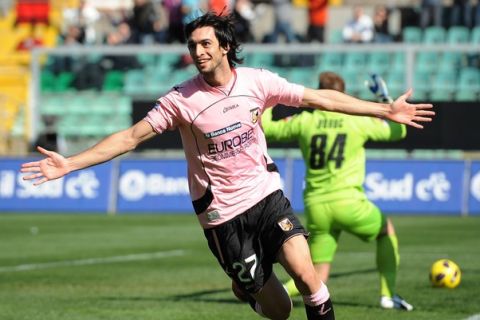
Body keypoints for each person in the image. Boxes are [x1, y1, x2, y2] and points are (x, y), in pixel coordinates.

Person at [20, 12, 433, 320]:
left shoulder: (257, 81)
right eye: (192, 46)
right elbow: (130, 138)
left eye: (204, 44)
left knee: (309, 278)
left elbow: (319, 98)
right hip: (222, 217)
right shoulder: (180, 100)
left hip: (266, 196)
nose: (197, 52)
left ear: (224, 47)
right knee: (279, 310)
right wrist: (70, 164)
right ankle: (247, 284)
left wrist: (384, 109)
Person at [261, 72, 415, 311]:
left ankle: (264, 291)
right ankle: (388, 295)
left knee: (316, 274)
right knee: (386, 232)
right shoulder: (357, 121)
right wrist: (384, 97)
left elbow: (268, 128)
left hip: (316, 205)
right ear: (343, 95)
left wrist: (268, 98)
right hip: (349, 202)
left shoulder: (305, 121)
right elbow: (399, 131)